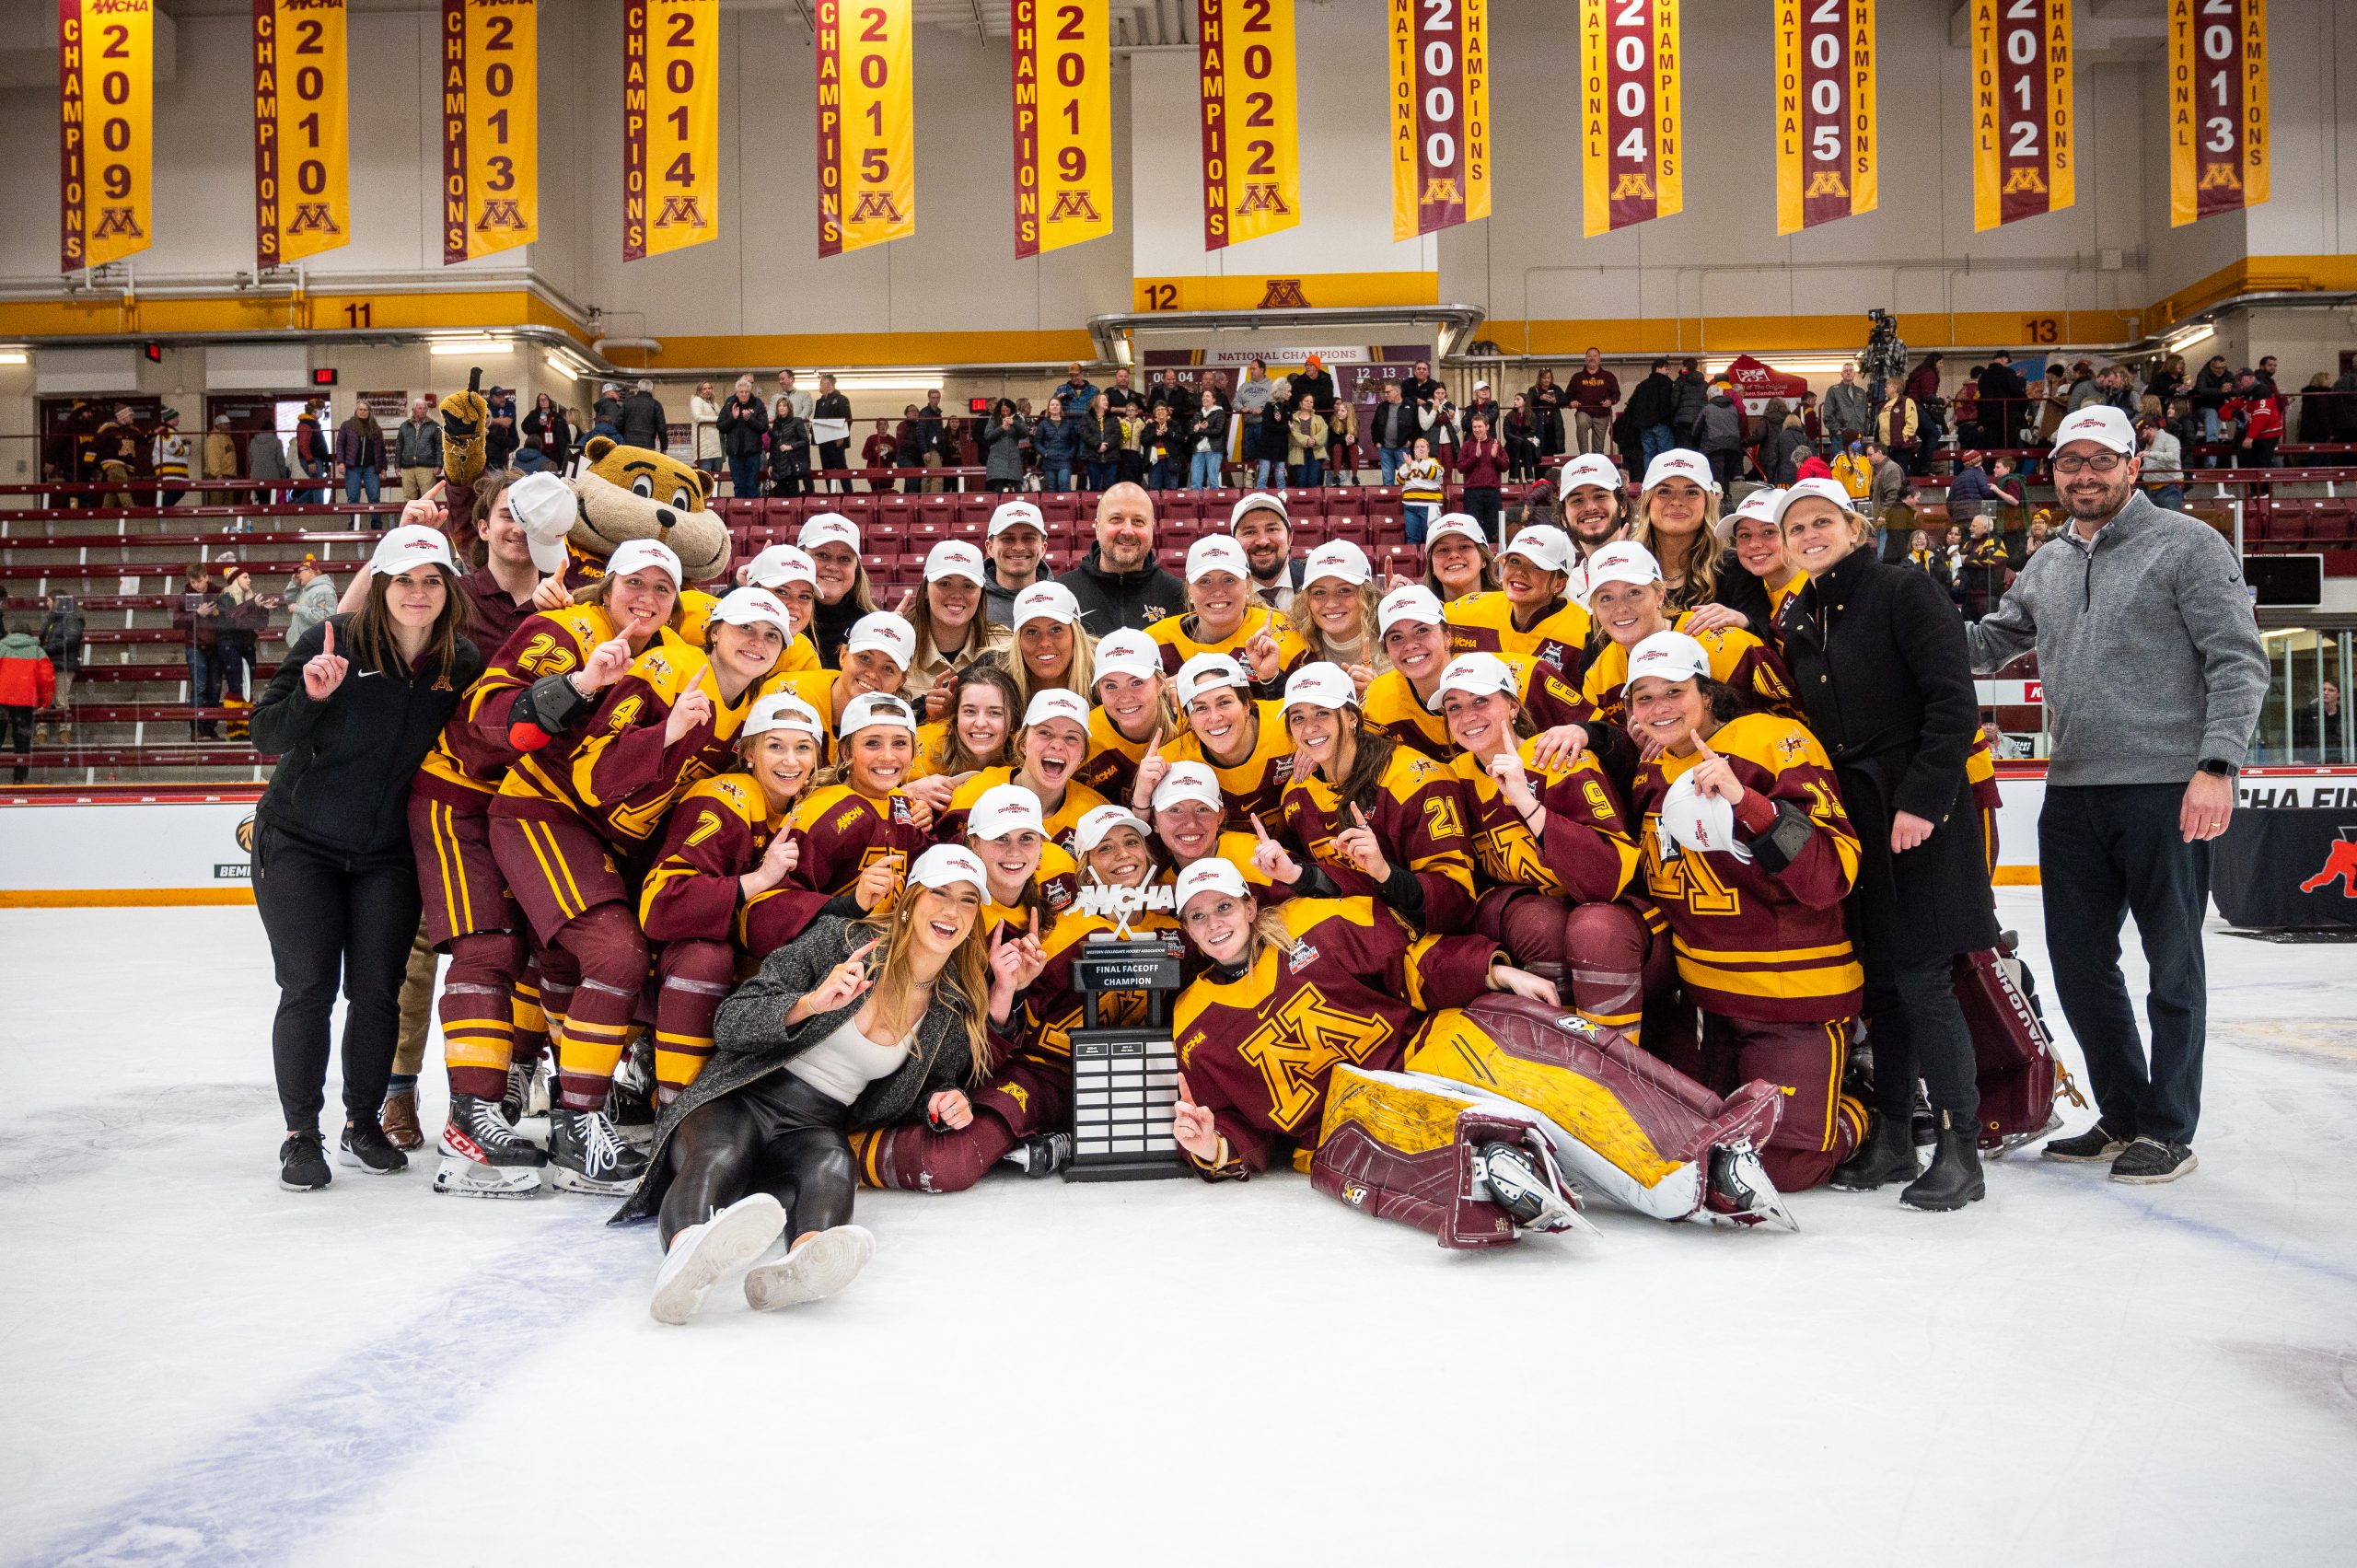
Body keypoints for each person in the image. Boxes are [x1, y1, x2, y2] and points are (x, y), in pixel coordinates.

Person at [1966, 405, 2269, 1183]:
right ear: (2056, 472)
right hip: (2074, 790)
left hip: (2168, 786)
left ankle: (2169, 1128)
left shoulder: (2189, 545)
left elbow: (2238, 659)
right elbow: (1986, 643)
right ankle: (2124, 1112)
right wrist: (1889, 613)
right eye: (2072, 463)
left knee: (2172, 965)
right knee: (2078, 965)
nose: (2086, 476)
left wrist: (2218, 765)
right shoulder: (2050, 561)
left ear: (2135, 466)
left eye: (2102, 461)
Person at [621, 845, 997, 1322]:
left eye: (968, 900)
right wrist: (809, 1004)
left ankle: (803, 1264)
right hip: (743, 1094)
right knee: (722, 1153)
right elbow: (731, 1021)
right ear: (910, 900)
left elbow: (930, 1085)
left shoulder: (952, 1006)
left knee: (833, 1166)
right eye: (939, 893)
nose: (951, 910)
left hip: (816, 1124)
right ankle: (684, 1259)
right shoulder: (840, 941)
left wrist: (943, 1102)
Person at [1769, 479, 1998, 1209]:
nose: (1809, 533)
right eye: (1796, 526)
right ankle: (1896, 1138)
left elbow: (1952, 701)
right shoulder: (1801, 613)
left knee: (1925, 978)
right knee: (1886, 987)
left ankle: (1962, 1148)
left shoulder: (1905, 589)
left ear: (1854, 527)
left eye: (1822, 521)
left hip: (1919, 808)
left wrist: (1923, 801)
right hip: (1856, 814)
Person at [250, 525, 483, 1191]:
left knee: (378, 992)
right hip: (299, 841)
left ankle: (362, 1121)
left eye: (431, 580)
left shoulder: (458, 662)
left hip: (387, 854)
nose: (418, 592)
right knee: (309, 987)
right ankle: (301, 1134)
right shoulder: (334, 641)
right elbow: (266, 733)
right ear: (381, 586)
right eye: (405, 580)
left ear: (447, 590)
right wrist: (311, 696)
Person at [1620, 632, 1866, 1191]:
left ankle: (1864, 1104)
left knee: (1783, 1168)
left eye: (1674, 691)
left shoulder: (1771, 739)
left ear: (1706, 693)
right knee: (1675, 1146)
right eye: (1644, 697)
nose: (1659, 708)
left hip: (1791, 999)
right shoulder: (1651, 768)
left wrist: (1747, 803)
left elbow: (1832, 874)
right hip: (1706, 1004)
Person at [1429, 649, 1649, 1036]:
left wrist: (1526, 802)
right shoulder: (1451, 778)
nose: (1467, 716)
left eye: (1481, 700)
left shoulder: (1560, 758)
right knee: (1540, 921)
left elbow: (1608, 878)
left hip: (1615, 925)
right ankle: (1561, 1055)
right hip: (1533, 923)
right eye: (1454, 707)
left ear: (1513, 707)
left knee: (1593, 928)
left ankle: (1617, 1062)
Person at [637, 692, 843, 1104]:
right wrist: (759, 879)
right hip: (662, 963)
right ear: (748, 752)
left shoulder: (800, 803)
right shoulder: (725, 796)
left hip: (739, 968)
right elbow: (660, 904)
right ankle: (675, 1102)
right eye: (775, 746)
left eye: (803, 747)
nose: (791, 760)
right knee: (708, 956)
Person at [1245, 660, 1476, 932]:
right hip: (1357, 938)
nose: (1309, 728)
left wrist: (1385, 873)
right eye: (1298, 718)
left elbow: (1457, 903)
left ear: (1352, 717)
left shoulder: (1413, 780)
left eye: (1322, 713)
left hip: (1428, 942)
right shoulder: (1296, 794)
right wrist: (1292, 872)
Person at [1579, 540, 1795, 727]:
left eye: (1634, 592)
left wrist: (1716, 734)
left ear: (1660, 595)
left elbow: (1793, 719)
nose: (1621, 608)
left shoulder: (1725, 644)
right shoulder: (1598, 679)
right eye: (1606, 598)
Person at [1056, 482, 1186, 635]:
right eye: (1116, 519)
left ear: (1151, 529)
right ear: (1097, 528)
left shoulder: (1178, 595)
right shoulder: (1062, 593)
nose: (1128, 531)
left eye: (1138, 521)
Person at [900, 540, 1010, 715]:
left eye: (968, 586)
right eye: (945, 584)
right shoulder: (899, 645)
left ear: (981, 594)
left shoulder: (1004, 645)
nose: (957, 595)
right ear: (926, 590)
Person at [797, 513, 877, 665]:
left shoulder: (872, 625)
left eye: (844, 559)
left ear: (856, 569)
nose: (832, 567)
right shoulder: (776, 618)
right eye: (822, 555)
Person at [173, 564, 225, 740]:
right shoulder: (184, 597)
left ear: (207, 577)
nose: (197, 585)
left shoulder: (219, 592)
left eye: (200, 580)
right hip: (195, 646)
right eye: (193, 582)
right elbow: (177, 621)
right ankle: (196, 729)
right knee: (200, 687)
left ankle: (209, 728)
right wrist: (197, 614)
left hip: (217, 647)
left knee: (215, 688)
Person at [0, 619, 55, 782]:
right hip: (25, 701)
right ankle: (19, 781)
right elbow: (47, 679)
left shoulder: (1, 647)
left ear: (11, 632)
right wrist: (45, 703)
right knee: (22, 743)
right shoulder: (38, 652)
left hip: (1, 699)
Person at [1229, 491, 1306, 609]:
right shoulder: (1224, 596)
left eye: (1272, 529)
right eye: (1250, 532)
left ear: (1290, 538)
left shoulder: (1315, 581)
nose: (1262, 541)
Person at [981, 499, 1048, 626]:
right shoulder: (972, 603)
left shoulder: (1062, 599)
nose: (1018, 547)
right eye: (1007, 539)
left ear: (1043, 548)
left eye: (1028, 538)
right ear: (990, 548)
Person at [34, 591, 84, 746]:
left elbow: (70, 640)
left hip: (64, 663)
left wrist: (45, 649)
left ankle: (65, 731)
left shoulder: (73, 618)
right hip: (47, 663)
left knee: (61, 699)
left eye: (49, 601)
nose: (47, 604)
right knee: (44, 698)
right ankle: (41, 731)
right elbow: (41, 638)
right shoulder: (51, 619)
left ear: (57, 601)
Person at [1453, 413, 1509, 542]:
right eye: (1474, 427)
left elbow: (1506, 466)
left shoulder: (1496, 444)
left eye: (1480, 427)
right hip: (1472, 493)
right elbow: (1460, 467)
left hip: (1492, 492)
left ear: (1487, 427)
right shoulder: (1467, 445)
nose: (1477, 430)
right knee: (1473, 528)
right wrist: (1475, 457)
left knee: (1493, 528)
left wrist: (1495, 458)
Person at [1422, 514, 1499, 605]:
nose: (1453, 555)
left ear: (1483, 558)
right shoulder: (1419, 614)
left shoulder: (1510, 607)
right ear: (1432, 565)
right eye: (1443, 550)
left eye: (1464, 547)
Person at [717, 376, 770, 499]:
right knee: (739, 485)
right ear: (737, 392)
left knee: (752, 485)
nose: (744, 394)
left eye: (746, 392)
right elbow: (720, 426)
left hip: (753, 453)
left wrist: (750, 419)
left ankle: (752, 513)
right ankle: (740, 514)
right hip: (735, 453)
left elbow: (763, 426)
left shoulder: (758, 403)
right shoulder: (730, 403)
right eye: (741, 392)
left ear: (750, 392)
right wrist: (733, 418)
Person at [1695, 382, 1747, 493]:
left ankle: (1718, 501)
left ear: (1709, 396)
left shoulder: (1707, 408)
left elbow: (1696, 429)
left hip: (1714, 445)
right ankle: (1726, 498)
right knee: (1726, 475)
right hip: (1733, 446)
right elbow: (1739, 425)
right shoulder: (1733, 408)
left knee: (1716, 475)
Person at [1564, 350, 1619, 456]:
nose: (1592, 358)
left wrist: (1610, 401)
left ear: (1599, 359)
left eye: (1595, 356)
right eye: (1589, 356)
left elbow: (1616, 394)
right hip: (1584, 411)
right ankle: (1584, 455)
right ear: (1585, 359)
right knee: (1582, 422)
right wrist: (1571, 402)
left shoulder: (1609, 376)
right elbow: (1568, 395)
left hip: (1602, 414)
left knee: (1598, 449)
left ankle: (1597, 464)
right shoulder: (1577, 377)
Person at [809, 372, 853, 489]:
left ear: (828, 384)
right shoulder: (820, 402)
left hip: (836, 440)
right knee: (827, 470)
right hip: (823, 441)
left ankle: (848, 495)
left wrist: (841, 436)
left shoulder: (841, 399)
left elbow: (847, 419)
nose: (819, 386)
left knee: (841, 468)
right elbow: (817, 419)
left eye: (821, 383)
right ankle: (831, 495)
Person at [395, 399, 442, 498]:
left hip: (427, 467)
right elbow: (399, 447)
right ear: (413, 410)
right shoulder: (404, 426)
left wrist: (439, 465)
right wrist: (397, 466)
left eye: (425, 408)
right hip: (407, 467)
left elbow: (439, 447)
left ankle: (428, 514)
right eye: (420, 408)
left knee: (428, 497)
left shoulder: (435, 426)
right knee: (408, 497)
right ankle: (412, 514)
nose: (423, 410)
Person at [1284, 393, 1329, 488]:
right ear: (1301, 403)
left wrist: (1314, 440)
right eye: (1306, 401)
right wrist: (1307, 440)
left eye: (1311, 402)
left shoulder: (1319, 418)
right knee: (1301, 480)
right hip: (1298, 452)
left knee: (1313, 480)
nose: (1309, 403)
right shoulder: (1292, 417)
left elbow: (1324, 433)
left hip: (1316, 451)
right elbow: (1291, 435)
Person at [522, 394, 573, 474]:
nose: (543, 401)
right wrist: (538, 424)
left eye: (545, 399)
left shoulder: (557, 417)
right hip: (540, 452)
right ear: (538, 403)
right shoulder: (533, 415)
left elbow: (565, 434)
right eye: (541, 400)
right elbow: (525, 428)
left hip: (555, 452)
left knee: (555, 473)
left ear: (549, 401)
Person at [618, 378, 668, 452]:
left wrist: (621, 440)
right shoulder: (655, 404)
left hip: (628, 445)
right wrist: (664, 448)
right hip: (648, 444)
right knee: (645, 464)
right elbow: (662, 429)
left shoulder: (628, 402)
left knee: (630, 463)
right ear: (651, 390)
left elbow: (618, 424)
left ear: (638, 388)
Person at [689, 381, 724, 482]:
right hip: (704, 446)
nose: (707, 391)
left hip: (716, 445)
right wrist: (717, 419)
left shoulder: (713, 403)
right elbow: (698, 417)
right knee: (705, 477)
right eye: (704, 389)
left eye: (709, 388)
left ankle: (717, 497)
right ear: (699, 390)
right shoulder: (696, 401)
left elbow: (722, 417)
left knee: (717, 476)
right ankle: (705, 497)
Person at [203, 413, 240, 505]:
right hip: (219, 476)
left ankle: (226, 520)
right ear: (218, 425)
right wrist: (217, 474)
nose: (229, 426)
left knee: (228, 503)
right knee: (217, 503)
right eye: (226, 424)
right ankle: (215, 519)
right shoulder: (214, 438)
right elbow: (213, 457)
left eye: (229, 424)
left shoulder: (227, 438)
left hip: (228, 475)